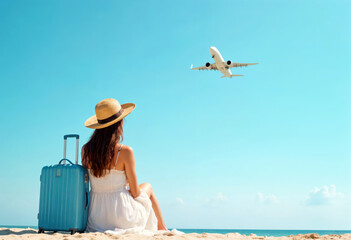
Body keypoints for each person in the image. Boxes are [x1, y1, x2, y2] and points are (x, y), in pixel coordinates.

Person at [82, 98, 167, 233]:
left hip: (96, 217)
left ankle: (162, 227)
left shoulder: (85, 150)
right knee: (148, 187)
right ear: (119, 123)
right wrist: (123, 187)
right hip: (121, 215)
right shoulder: (125, 151)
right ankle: (162, 227)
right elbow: (135, 192)